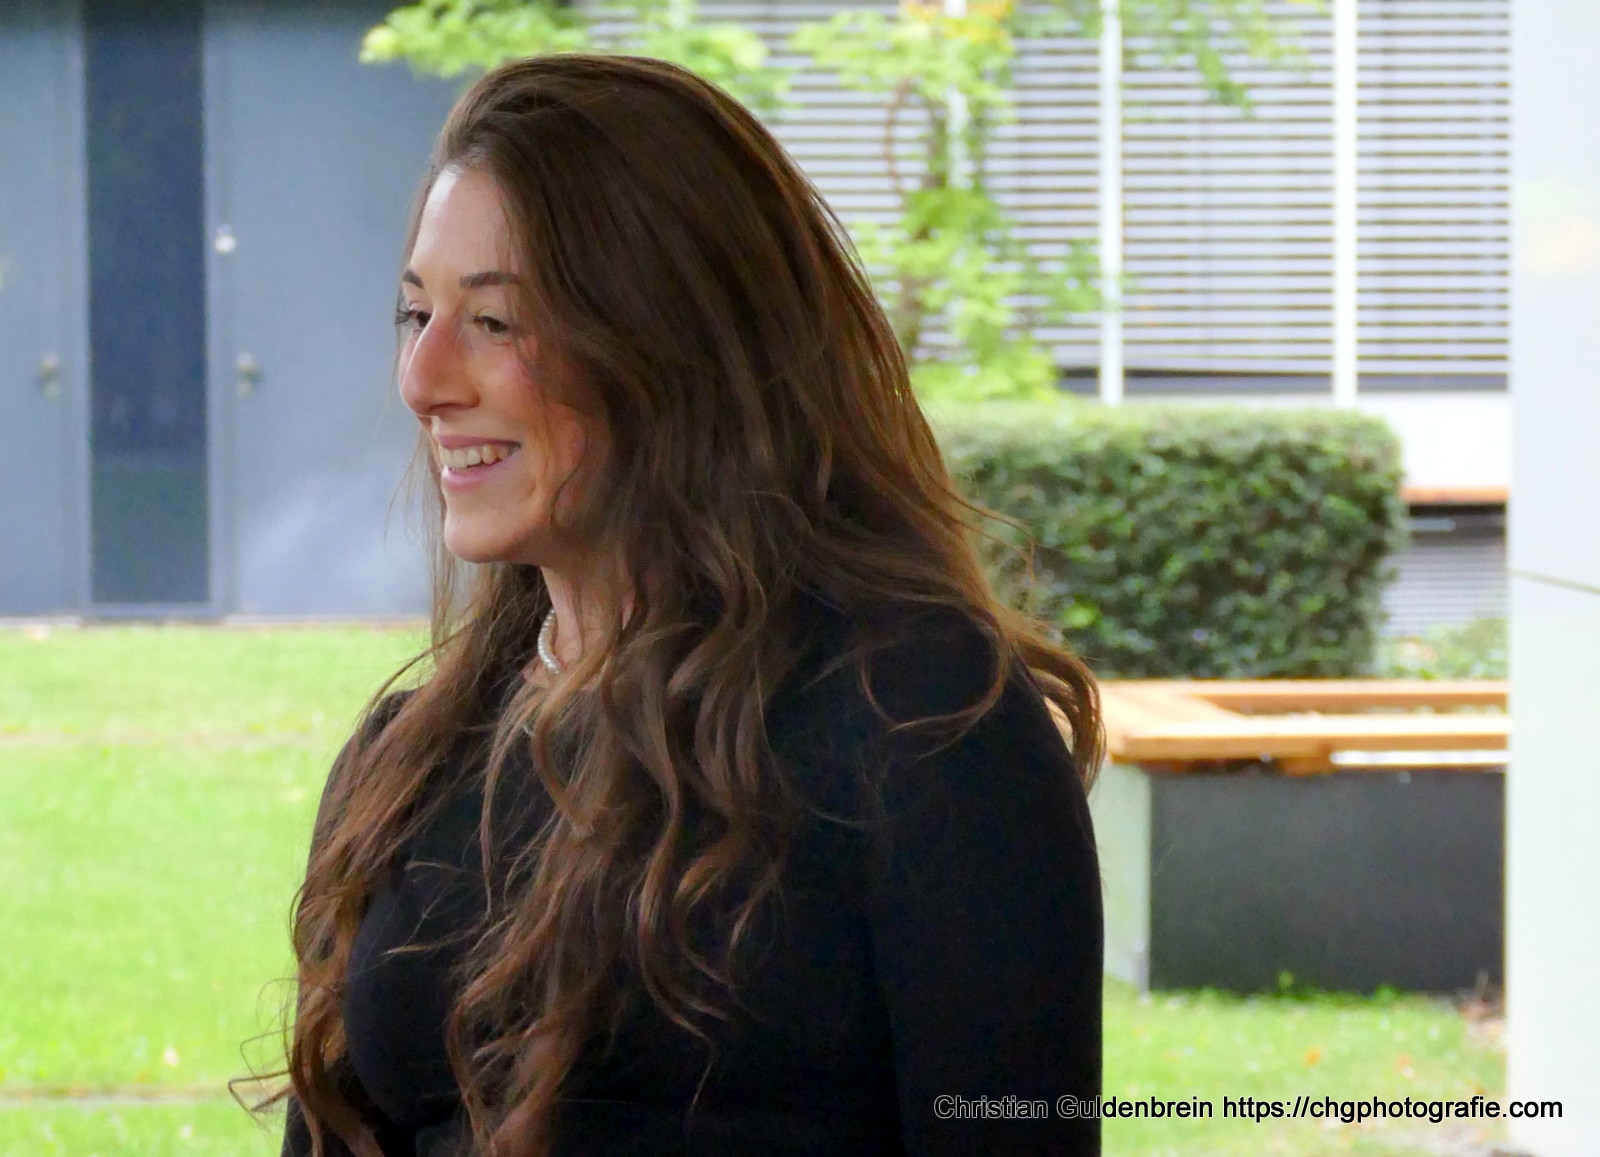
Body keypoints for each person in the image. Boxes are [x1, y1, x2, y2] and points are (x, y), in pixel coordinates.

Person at [258, 52, 1104, 1157]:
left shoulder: (919, 722)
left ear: (672, 341)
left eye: (497, 321)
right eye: (417, 313)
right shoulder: (405, 762)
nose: (423, 379)